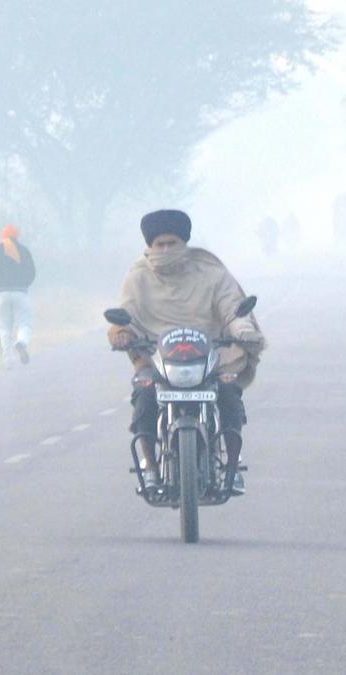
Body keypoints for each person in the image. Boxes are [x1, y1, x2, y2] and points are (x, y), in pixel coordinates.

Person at [108, 209, 265, 493]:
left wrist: (243, 331)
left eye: (172, 244)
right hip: (156, 357)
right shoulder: (137, 277)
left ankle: (231, 467)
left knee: (229, 392)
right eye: (160, 245)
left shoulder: (211, 272)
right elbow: (126, 314)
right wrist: (121, 334)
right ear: (150, 247)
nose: (166, 250)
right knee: (143, 393)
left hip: (208, 357)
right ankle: (152, 470)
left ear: (185, 244)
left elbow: (232, 307)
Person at [0, 224, 36, 367]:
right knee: (24, 322)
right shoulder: (24, 251)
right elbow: (32, 272)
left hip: (2, 293)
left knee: (4, 327)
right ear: (17, 235)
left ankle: (8, 360)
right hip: (21, 292)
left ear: (3, 235)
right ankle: (21, 342)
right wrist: (24, 284)